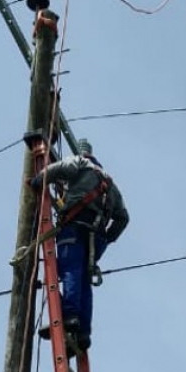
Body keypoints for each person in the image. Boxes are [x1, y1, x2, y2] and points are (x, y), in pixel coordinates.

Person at [30, 138, 129, 353]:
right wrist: (109, 237)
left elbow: (62, 167)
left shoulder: (80, 163)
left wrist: (39, 179)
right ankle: (83, 332)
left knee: (69, 270)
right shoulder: (111, 186)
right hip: (97, 238)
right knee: (83, 279)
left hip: (76, 227)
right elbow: (123, 218)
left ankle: (69, 316)